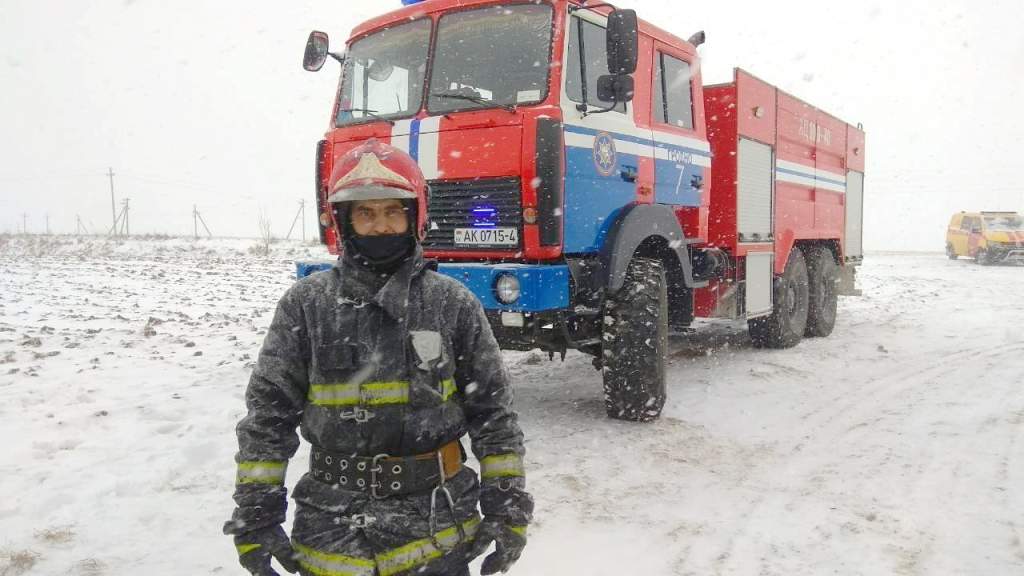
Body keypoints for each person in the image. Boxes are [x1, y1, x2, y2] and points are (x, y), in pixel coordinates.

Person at [224, 139, 533, 576]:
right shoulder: (305, 305)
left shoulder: (453, 304)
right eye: (365, 214)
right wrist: (256, 514)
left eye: (392, 211)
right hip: (331, 538)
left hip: (438, 534)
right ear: (344, 221)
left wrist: (507, 508)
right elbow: (267, 417)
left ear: (414, 216)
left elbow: (493, 414)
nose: (380, 226)